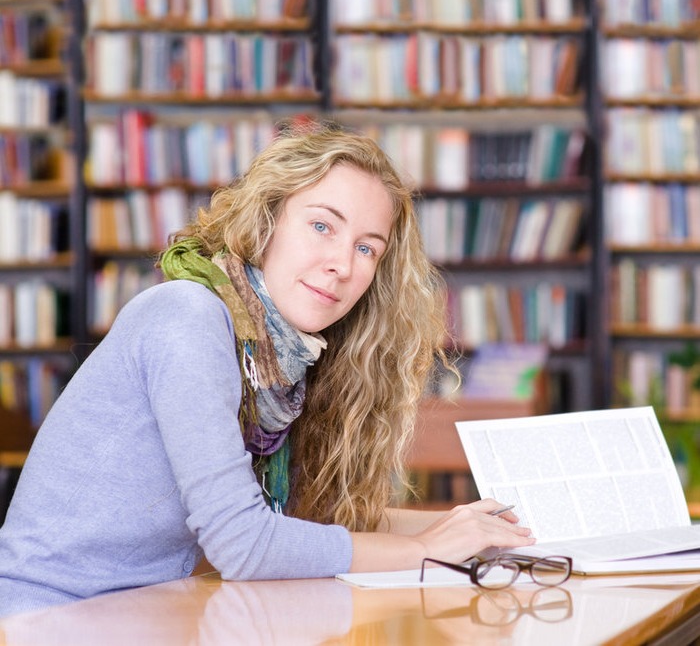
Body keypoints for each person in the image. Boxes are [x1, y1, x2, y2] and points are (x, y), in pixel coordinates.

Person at [0, 125, 534, 616]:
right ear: (268, 218)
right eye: (322, 225)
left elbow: (316, 519)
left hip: (149, 611)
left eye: (367, 248)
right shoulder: (187, 315)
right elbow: (244, 543)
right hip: (48, 618)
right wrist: (423, 550)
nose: (343, 264)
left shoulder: (280, 358)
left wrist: (472, 528)